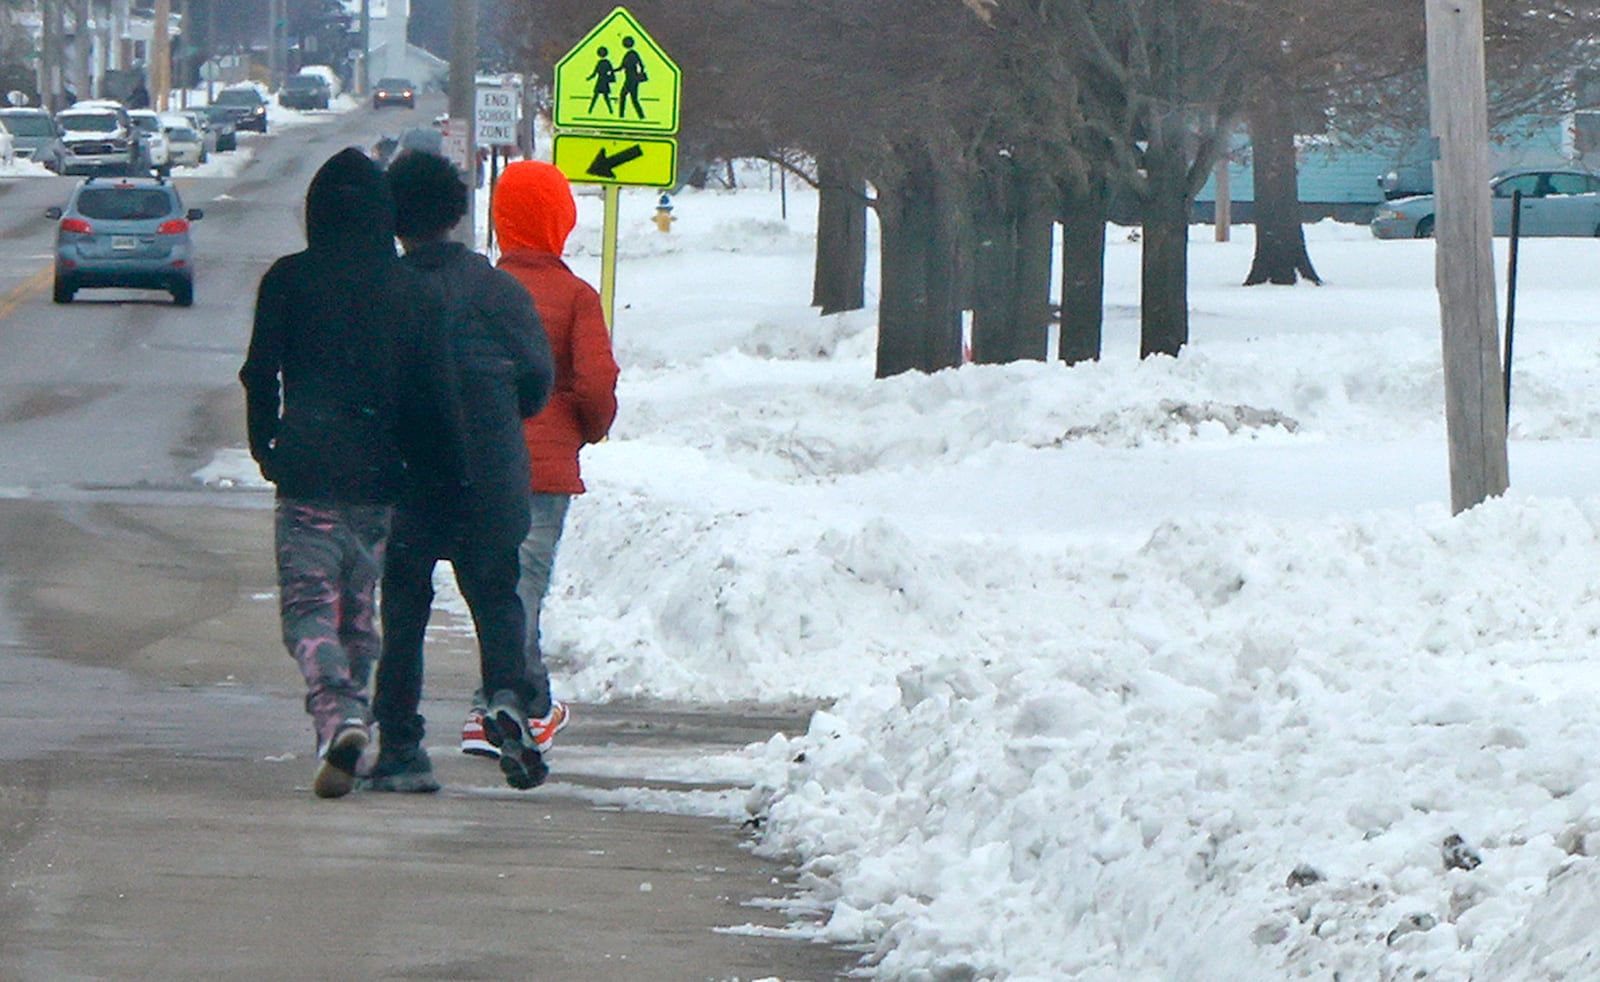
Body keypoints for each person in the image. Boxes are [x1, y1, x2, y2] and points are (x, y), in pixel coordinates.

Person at [240, 148, 453, 799]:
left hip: (307, 470)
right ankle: (348, 731)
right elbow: (432, 393)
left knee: (308, 609)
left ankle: (339, 715)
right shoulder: (413, 290)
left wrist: (265, 447)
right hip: (381, 478)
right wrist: (436, 470)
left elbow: (259, 374)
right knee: (359, 616)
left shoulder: (288, 279)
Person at [365, 150, 557, 793]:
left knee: (406, 610)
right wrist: (501, 417)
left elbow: (369, 388)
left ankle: (399, 744)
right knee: (496, 594)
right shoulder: (500, 290)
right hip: (493, 469)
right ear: (456, 213)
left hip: (413, 474)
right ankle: (505, 696)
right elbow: (537, 379)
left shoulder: (383, 290)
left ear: (394, 219)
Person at [457, 160, 618, 758]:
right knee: (520, 587)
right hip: (544, 468)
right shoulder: (576, 296)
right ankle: (497, 705)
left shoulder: (477, 290)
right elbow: (596, 383)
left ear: (502, 220)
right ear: (560, 220)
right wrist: (587, 428)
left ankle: (532, 706)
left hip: (478, 459)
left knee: (495, 587)